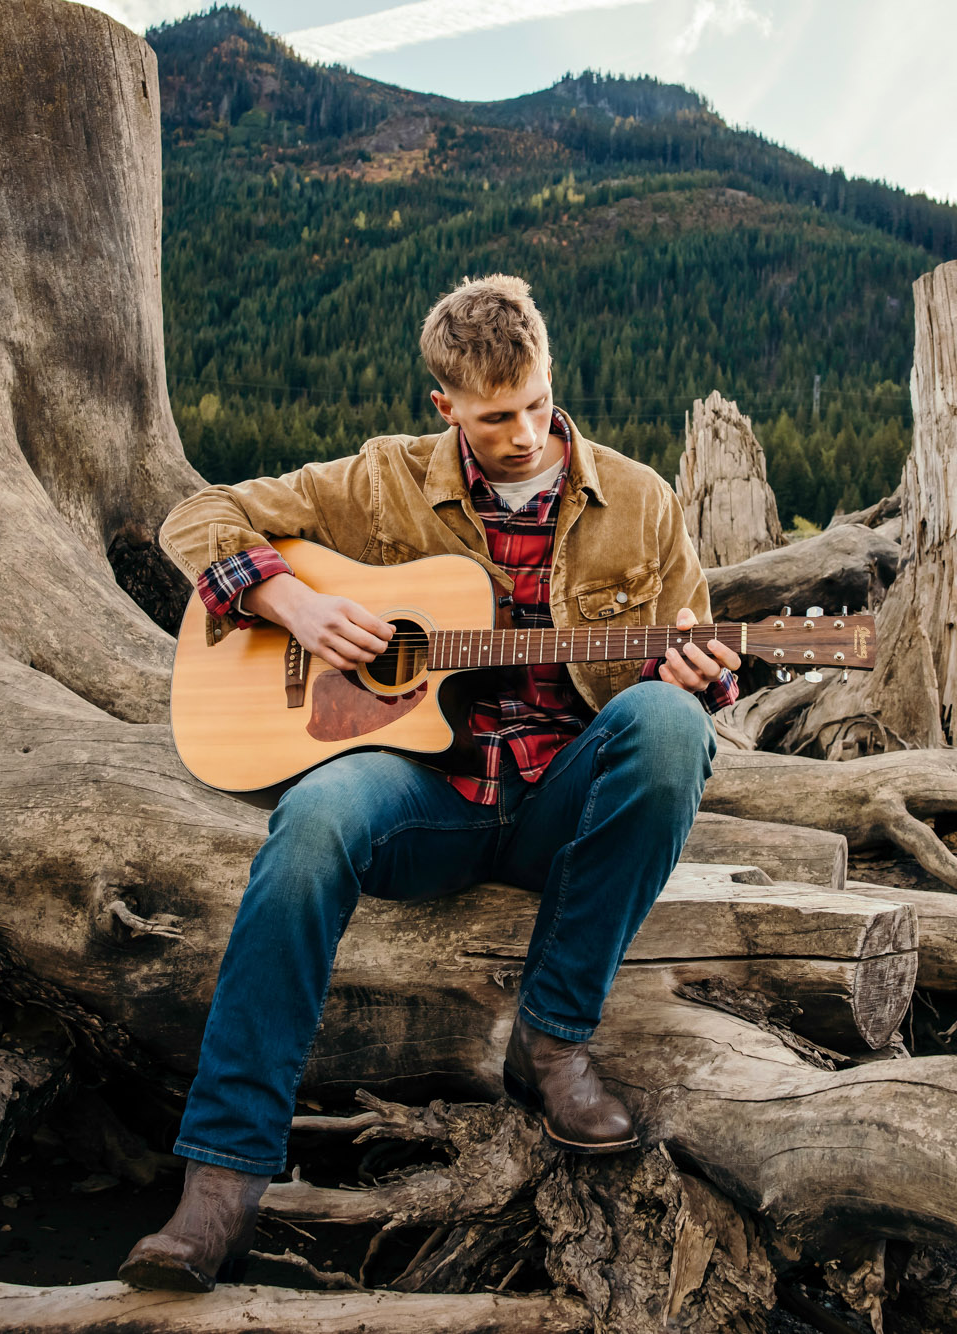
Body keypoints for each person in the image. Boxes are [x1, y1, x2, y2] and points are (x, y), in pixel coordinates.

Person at [120, 274, 741, 1292]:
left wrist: (696, 677)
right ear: (443, 405)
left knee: (669, 723)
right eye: (497, 417)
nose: (528, 431)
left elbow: (687, 668)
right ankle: (221, 1180)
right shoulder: (381, 480)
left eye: (539, 402)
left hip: (557, 806)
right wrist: (293, 605)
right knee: (312, 815)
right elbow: (198, 517)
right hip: (425, 796)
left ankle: (551, 1040)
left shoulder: (639, 501)